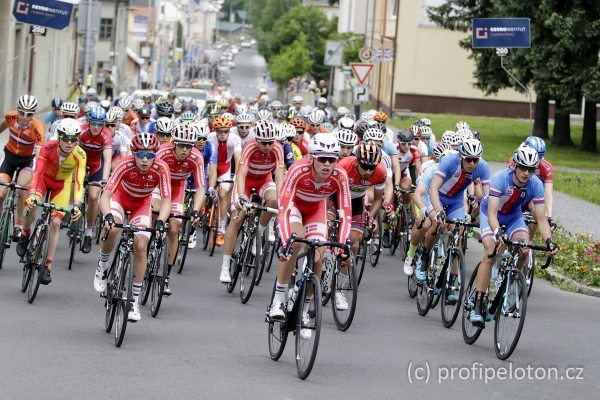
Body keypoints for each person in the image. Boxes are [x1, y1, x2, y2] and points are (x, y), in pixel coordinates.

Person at [269, 133, 352, 329]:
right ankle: (279, 298)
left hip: (316, 210)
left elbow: (345, 213)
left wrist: (343, 246)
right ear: (312, 158)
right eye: (322, 159)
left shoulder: (340, 176)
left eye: (331, 159)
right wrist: (284, 242)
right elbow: (283, 207)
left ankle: (305, 309)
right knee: (295, 242)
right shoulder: (299, 170)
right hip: (295, 208)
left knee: (318, 255)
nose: (327, 164)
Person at [470, 144, 558, 326]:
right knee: (490, 251)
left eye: (531, 169)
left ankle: (512, 281)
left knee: (525, 249)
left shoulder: (535, 184)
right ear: (515, 166)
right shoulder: (501, 178)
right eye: (523, 168)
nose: (526, 173)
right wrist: (497, 231)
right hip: (490, 214)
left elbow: (541, 218)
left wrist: (549, 241)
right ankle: (478, 301)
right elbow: (493, 214)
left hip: (513, 217)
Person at [93, 132, 171, 323]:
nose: (145, 160)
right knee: (112, 229)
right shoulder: (124, 164)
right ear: (134, 153)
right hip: (120, 199)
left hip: (141, 205)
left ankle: (134, 299)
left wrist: (160, 221)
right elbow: (106, 195)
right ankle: (102, 266)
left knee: (142, 246)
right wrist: (108, 215)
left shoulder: (161, 168)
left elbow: (167, 199)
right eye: (141, 155)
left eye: (150, 155)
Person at [219, 120, 284, 283]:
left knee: (274, 200)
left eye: (271, 142)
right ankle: (225, 266)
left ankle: (258, 233)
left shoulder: (277, 148)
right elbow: (241, 175)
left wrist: (283, 199)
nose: (268, 146)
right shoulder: (249, 146)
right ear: (257, 140)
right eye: (264, 143)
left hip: (264, 180)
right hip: (246, 182)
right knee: (237, 219)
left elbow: (279, 177)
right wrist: (241, 196)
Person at [417, 138, 490, 281]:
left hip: (455, 201)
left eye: (475, 160)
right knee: (439, 224)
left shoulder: (483, 167)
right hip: (437, 196)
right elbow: (433, 188)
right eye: (468, 159)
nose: (472, 164)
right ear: (461, 156)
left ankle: (452, 278)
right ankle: (424, 256)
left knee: (458, 234)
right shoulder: (450, 161)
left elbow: (489, 197)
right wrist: (439, 212)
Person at [23, 118, 86, 282]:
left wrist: (77, 205)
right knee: (32, 205)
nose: (69, 143)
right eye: (65, 138)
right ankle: (25, 232)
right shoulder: (48, 147)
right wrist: (31, 195)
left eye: (73, 139)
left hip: (61, 185)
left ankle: (47, 266)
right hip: (44, 180)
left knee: (56, 223)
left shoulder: (80, 154)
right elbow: (37, 173)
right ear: (59, 137)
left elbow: (79, 182)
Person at [332, 142, 386, 310]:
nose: (368, 171)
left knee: (354, 242)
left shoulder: (381, 172)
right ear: (356, 161)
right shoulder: (343, 166)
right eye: (364, 166)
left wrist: (371, 215)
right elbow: (328, 190)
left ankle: (340, 289)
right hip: (334, 197)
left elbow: (378, 199)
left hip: (356, 201)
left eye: (372, 167)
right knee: (327, 229)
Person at [155, 124, 205, 295]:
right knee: (153, 219)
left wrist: (196, 210)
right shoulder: (162, 152)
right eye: (182, 145)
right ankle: (145, 253)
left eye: (189, 146)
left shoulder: (197, 157)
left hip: (176, 189)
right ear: (174, 143)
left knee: (175, 228)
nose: (185, 150)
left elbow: (200, 188)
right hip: (157, 187)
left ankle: (166, 275)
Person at [0, 95, 44, 243]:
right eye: (22, 112)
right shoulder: (10, 117)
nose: (25, 117)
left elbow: (39, 154)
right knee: (0, 193)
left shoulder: (37, 128)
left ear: (34, 114)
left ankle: (19, 224)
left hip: (26, 161)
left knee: (22, 188)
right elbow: (1, 127)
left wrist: (38, 173)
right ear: (17, 110)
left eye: (29, 114)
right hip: (9, 158)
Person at [78, 106, 113, 253]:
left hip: (96, 166)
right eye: (93, 123)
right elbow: (74, 151)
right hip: (80, 162)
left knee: (93, 197)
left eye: (100, 124)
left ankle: (89, 232)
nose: (96, 127)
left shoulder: (106, 135)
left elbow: (107, 158)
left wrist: (104, 179)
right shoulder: (81, 130)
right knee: (75, 191)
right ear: (88, 122)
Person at [207, 115, 242, 246]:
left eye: (225, 131)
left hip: (225, 167)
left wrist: (236, 176)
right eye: (220, 131)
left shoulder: (235, 139)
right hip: (211, 165)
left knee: (222, 194)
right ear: (215, 131)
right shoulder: (210, 138)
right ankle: (206, 206)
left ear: (229, 131)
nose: (222, 134)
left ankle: (221, 224)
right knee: (205, 191)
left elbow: (238, 159)